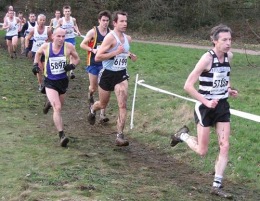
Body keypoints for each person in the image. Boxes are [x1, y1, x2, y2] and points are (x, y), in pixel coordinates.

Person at [170, 24, 238, 199]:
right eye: (224, 40)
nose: (228, 43)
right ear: (214, 41)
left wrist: (228, 89)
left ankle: (217, 184)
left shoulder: (229, 56)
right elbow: (188, 86)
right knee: (202, 151)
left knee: (225, 145)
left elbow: (224, 76)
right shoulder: (207, 59)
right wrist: (206, 102)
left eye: (230, 39)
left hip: (222, 105)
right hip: (205, 107)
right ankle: (183, 135)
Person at [87, 11, 137, 146]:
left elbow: (124, 50)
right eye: (122, 21)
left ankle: (119, 135)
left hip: (120, 75)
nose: (125, 24)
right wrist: (116, 52)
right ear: (114, 23)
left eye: (126, 21)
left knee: (122, 104)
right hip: (107, 74)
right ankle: (92, 109)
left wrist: (129, 54)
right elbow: (98, 57)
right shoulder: (110, 38)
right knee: (103, 104)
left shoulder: (128, 38)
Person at [33, 27, 80, 147]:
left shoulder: (68, 47)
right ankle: (62, 135)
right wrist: (35, 64)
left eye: (63, 36)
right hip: (50, 81)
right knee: (57, 107)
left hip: (63, 81)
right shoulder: (46, 47)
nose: (61, 39)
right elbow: (37, 54)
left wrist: (72, 66)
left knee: (59, 106)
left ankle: (49, 102)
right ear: (53, 36)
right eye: (59, 36)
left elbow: (77, 58)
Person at [80, 10, 111, 123]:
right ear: (99, 20)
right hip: (93, 63)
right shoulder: (93, 32)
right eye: (103, 20)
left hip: (105, 64)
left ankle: (102, 114)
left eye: (107, 20)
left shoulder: (110, 33)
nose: (105, 23)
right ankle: (90, 94)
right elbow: (82, 44)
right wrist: (92, 49)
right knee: (93, 87)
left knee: (104, 88)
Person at [25, 14, 52, 91]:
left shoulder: (48, 30)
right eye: (40, 20)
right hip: (35, 52)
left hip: (44, 52)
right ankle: (40, 84)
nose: (42, 22)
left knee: (45, 69)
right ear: (37, 20)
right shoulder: (33, 29)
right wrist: (27, 48)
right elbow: (27, 38)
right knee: (39, 68)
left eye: (43, 20)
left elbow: (52, 39)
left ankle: (47, 82)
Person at [57, 5, 81, 79]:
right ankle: (64, 70)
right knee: (65, 55)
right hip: (64, 39)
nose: (67, 13)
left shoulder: (73, 19)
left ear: (70, 12)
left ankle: (71, 71)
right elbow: (57, 28)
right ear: (63, 12)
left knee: (72, 55)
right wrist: (62, 31)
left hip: (71, 38)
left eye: (68, 11)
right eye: (66, 11)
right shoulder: (61, 20)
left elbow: (75, 25)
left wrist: (78, 31)